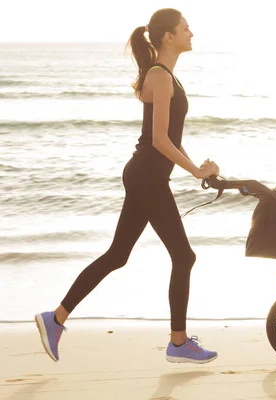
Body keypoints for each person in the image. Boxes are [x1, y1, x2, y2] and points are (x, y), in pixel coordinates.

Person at [35, 8, 220, 364]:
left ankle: (55, 319)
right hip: (147, 176)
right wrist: (197, 171)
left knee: (119, 255)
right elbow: (160, 142)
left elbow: (168, 138)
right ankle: (179, 344)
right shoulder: (160, 76)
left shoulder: (166, 77)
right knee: (184, 256)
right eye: (185, 28)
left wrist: (200, 167)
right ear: (169, 36)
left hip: (145, 175)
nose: (191, 33)